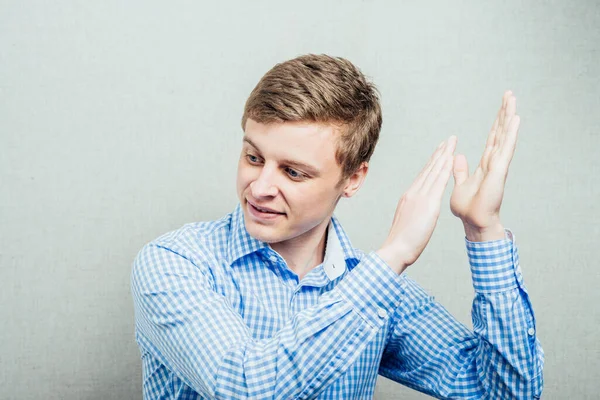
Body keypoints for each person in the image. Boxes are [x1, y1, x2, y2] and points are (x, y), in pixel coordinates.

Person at [131, 54, 544, 399]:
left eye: (293, 172)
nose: (259, 188)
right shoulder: (175, 264)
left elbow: (507, 393)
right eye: (254, 158)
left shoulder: (375, 288)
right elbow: (245, 387)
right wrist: (393, 257)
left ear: (353, 180)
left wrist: (483, 230)